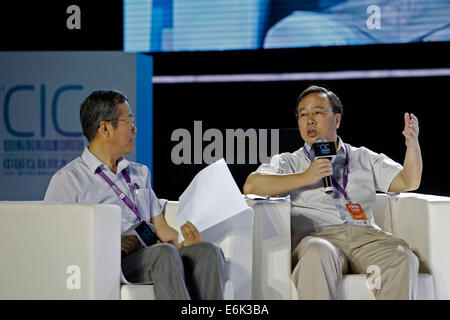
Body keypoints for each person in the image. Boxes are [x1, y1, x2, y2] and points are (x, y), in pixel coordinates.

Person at [243, 85, 422, 299]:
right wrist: (305, 177)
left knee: (402, 256)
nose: (309, 119)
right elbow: (252, 185)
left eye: (317, 112)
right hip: (318, 237)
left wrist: (412, 146)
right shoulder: (288, 161)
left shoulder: (362, 157)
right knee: (317, 252)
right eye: (303, 114)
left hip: (366, 238)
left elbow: (408, 181)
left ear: (337, 120)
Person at [44, 89, 226, 300]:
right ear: (104, 128)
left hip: (152, 252)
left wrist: (183, 242)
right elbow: (56, 238)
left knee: (207, 251)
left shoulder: (139, 172)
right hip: (113, 261)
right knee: (164, 255)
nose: (135, 129)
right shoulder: (69, 180)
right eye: (127, 121)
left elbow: (161, 228)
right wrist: (111, 243)